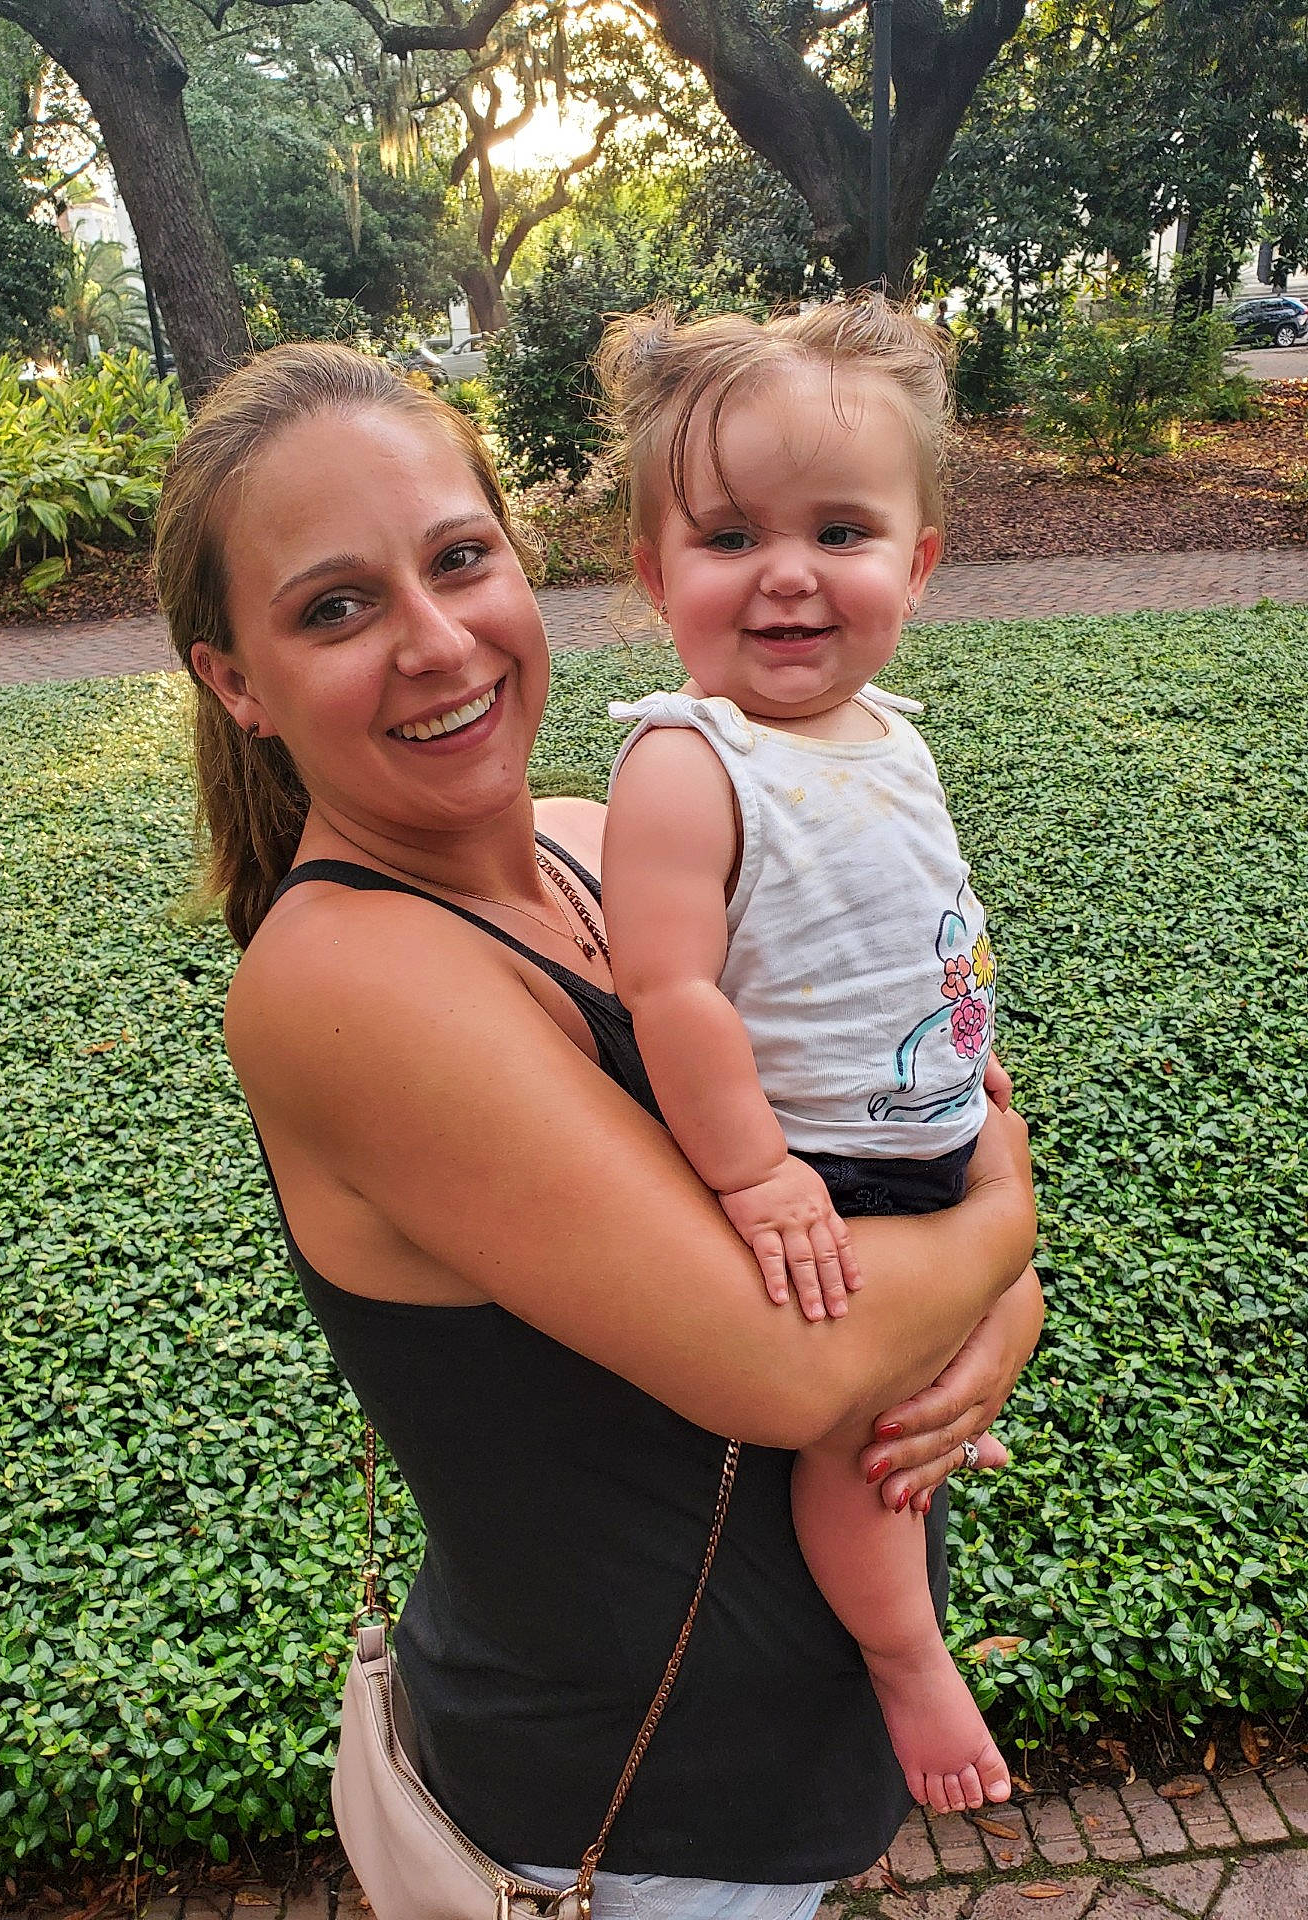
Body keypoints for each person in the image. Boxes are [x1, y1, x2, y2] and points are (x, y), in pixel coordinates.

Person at [155, 341, 1042, 1915]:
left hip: (766, 1749)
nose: (437, 645)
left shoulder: (593, 840)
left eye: (458, 559)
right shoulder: (347, 985)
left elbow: (924, 1057)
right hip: (630, 1817)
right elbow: (786, 1364)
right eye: (336, 607)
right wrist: (1002, 1242)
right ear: (237, 679)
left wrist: (994, 1298)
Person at [595, 299, 1029, 1814]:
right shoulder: (684, 761)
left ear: (913, 564)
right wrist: (760, 1173)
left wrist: (986, 1125)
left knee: (915, 1431)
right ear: (656, 576)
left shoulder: (889, 734)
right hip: (819, 1173)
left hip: (926, 1135)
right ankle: (911, 1664)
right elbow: (675, 996)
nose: (786, 572)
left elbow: (929, 936)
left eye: (839, 529)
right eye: (727, 539)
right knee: (858, 1447)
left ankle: (889, 1645)